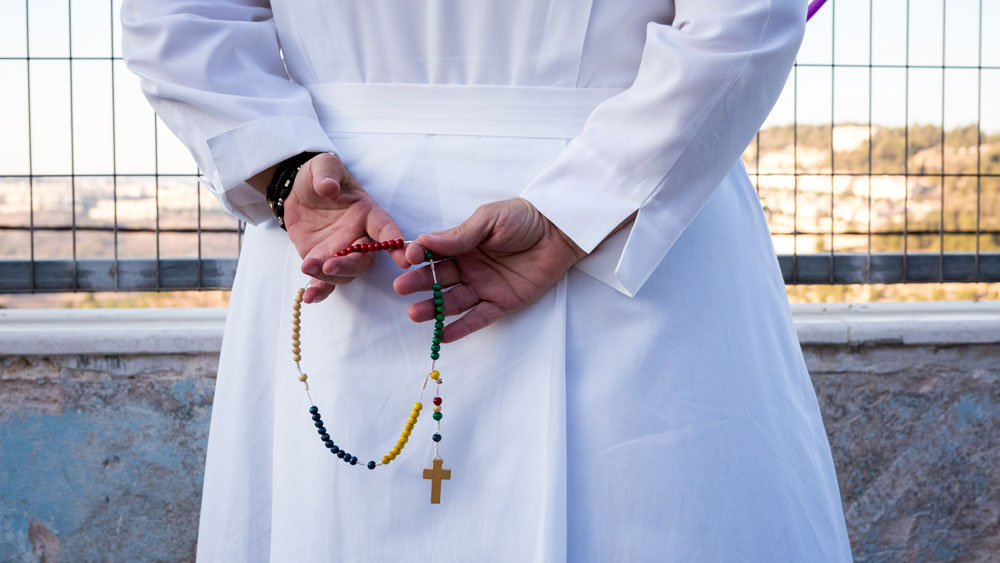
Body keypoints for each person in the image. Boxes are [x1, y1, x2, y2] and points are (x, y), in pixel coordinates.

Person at [121, 0, 854, 560]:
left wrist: (282, 167)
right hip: (630, 199)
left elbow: (176, 21)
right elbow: (747, 19)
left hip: (349, 214)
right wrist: (582, 205)